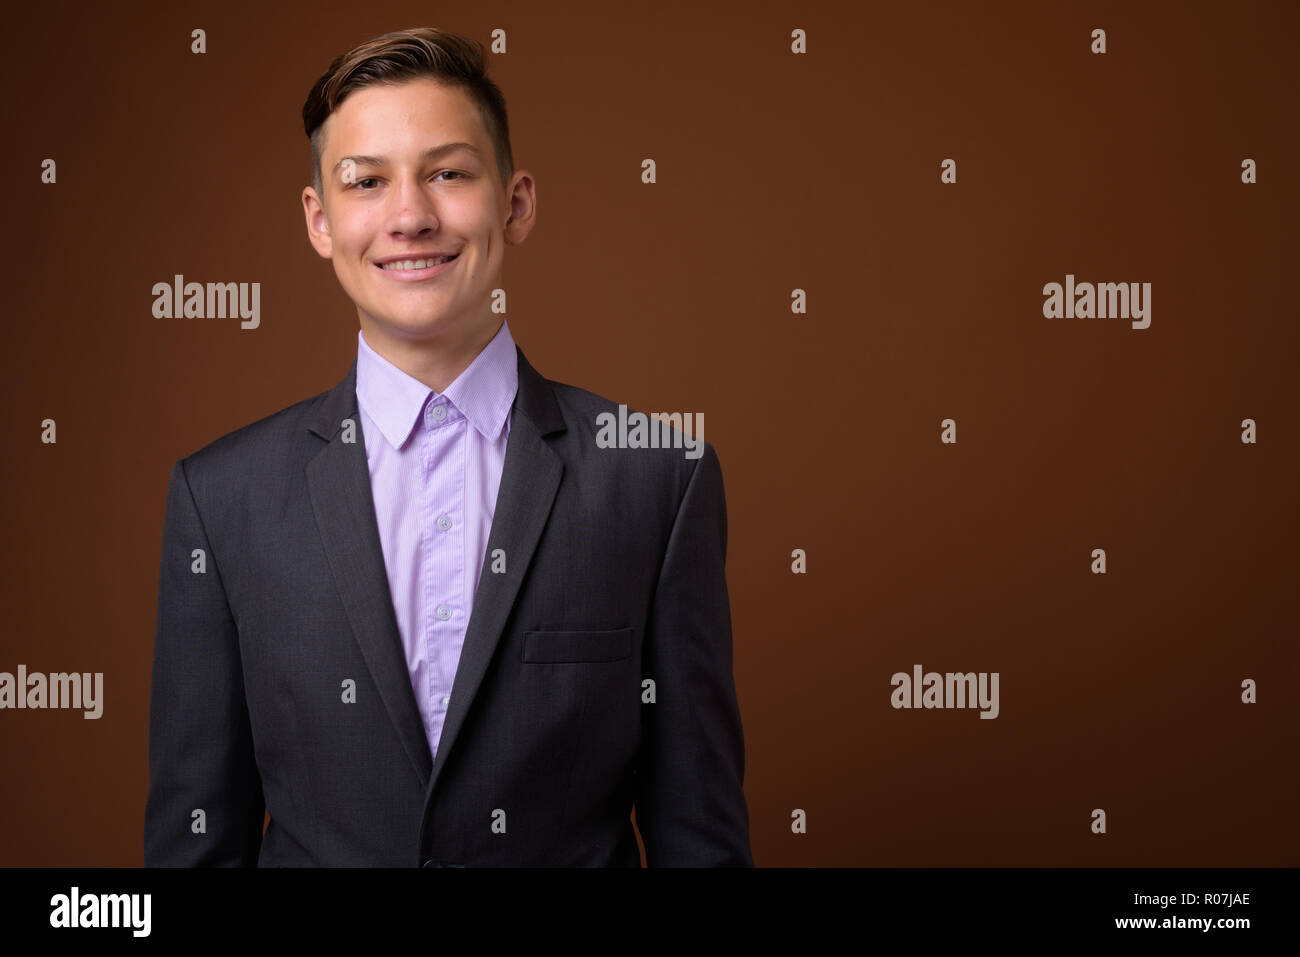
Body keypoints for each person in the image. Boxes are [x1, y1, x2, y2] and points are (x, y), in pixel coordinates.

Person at [143, 27, 752, 867]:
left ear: (517, 201)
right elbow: (194, 840)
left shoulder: (656, 477)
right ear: (320, 220)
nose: (409, 216)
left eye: (449, 172)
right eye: (367, 182)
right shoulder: (221, 499)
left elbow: (700, 835)